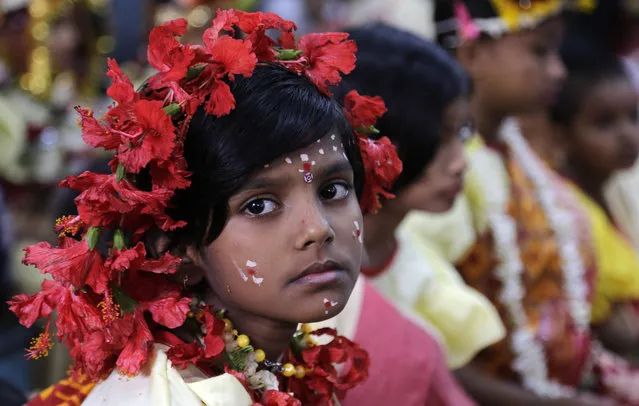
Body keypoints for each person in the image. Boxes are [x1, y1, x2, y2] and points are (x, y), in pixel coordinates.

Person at [10, 9, 401, 405]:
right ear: (179, 249)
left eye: (333, 190)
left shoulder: (274, 360)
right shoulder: (166, 396)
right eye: (260, 205)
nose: (318, 229)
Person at [432, 0, 622, 405]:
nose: (559, 70)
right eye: (540, 51)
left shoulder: (518, 155)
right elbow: (432, 346)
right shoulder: (444, 175)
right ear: (472, 52)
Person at [333, 23, 505, 372]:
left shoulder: (412, 257)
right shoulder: (324, 274)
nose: (460, 162)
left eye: (461, 133)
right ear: (373, 140)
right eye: (439, 139)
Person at [549, 46, 639, 404]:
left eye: (634, 117)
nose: (626, 134)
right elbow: (614, 332)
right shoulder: (564, 209)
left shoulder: (619, 189)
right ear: (562, 135)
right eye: (604, 123)